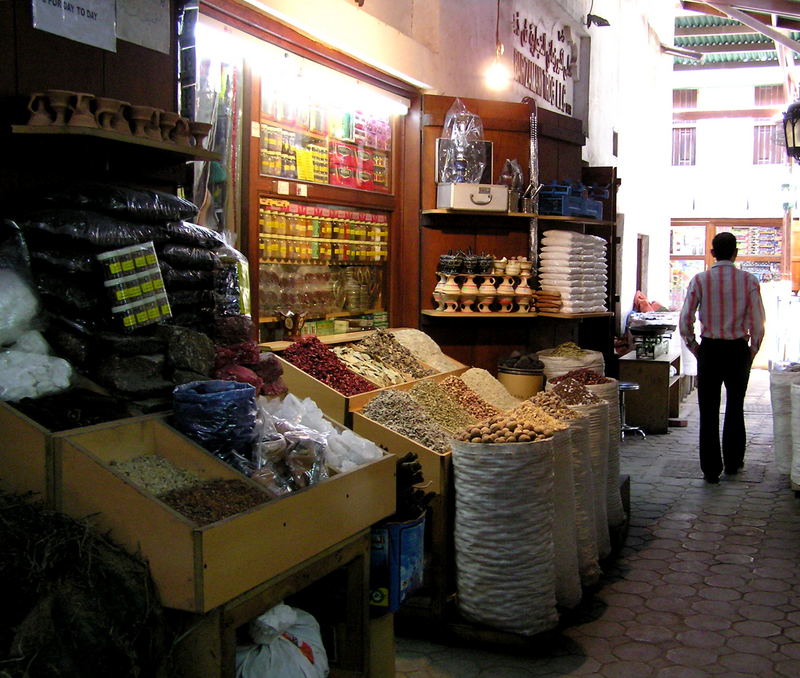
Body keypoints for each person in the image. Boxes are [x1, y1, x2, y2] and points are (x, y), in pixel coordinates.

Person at [679, 231, 766, 484]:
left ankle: (710, 470)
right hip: (738, 350)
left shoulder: (700, 280)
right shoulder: (749, 280)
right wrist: (752, 350)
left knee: (708, 410)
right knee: (735, 407)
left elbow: (685, 320)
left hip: (710, 350)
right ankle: (733, 462)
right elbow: (758, 323)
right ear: (736, 253)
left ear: (713, 253)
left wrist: (695, 346)